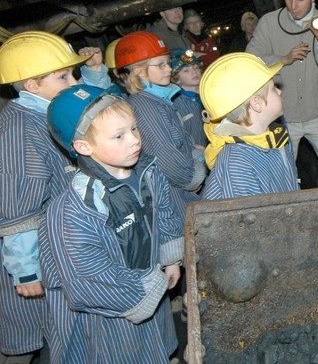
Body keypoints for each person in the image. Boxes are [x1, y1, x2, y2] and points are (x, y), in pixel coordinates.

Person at [42, 85, 183, 363]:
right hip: (111, 316)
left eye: (134, 129)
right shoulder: (75, 208)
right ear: (84, 146)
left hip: (152, 287)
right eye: (119, 136)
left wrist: (171, 259)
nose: (134, 141)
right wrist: (148, 285)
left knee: (156, 347)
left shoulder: (148, 172)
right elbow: (89, 278)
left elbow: (165, 214)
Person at [0, 31, 105, 359]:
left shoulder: (45, 114)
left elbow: (98, 112)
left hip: (58, 250)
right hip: (35, 260)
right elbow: (17, 204)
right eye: (63, 76)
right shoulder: (20, 128)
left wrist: (94, 75)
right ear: (32, 85)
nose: (73, 81)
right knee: (28, 343)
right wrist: (26, 269)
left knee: (60, 337)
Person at [247, 0, 318, 178]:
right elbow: (250, 61)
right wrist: (283, 59)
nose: (294, 6)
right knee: (280, 177)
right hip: (282, 118)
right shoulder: (269, 23)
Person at [115, 31, 206, 221]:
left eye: (167, 63)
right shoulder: (146, 107)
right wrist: (197, 174)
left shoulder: (159, 101)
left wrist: (194, 153)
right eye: (161, 65)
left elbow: (179, 143)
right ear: (139, 71)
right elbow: (166, 159)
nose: (169, 69)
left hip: (181, 198)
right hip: (174, 205)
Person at [200, 53, 299, 199]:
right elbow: (247, 219)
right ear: (257, 104)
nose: (280, 91)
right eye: (273, 88)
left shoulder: (276, 138)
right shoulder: (236, 163)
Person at [170, 49, 206, 147]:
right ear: (175, 79)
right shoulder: (175, 104)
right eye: (186, 70)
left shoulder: (208, 94)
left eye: (195, 67)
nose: (194, 72)